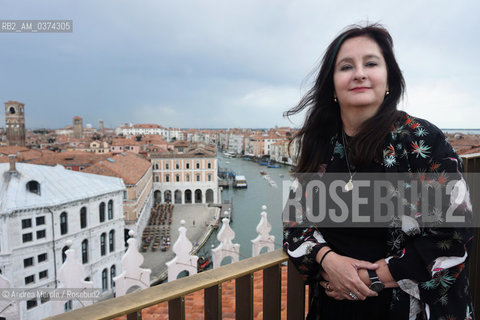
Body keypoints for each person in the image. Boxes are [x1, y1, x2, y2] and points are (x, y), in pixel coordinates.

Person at [282, 23, 474, 320]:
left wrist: (371, 278)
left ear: (388, 80)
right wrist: (328, 259)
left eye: (371, 63)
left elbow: (454, 232)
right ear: (332, 85)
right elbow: (295, 221)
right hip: (334, 310)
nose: (359, 73)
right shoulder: (321, 144)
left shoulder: (421, 140)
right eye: (346, 66)